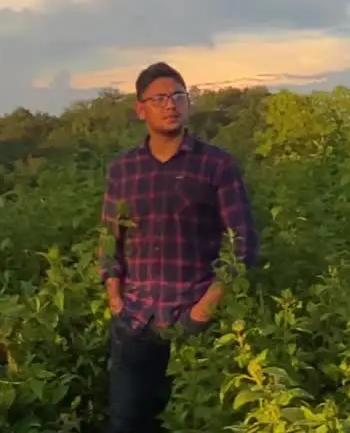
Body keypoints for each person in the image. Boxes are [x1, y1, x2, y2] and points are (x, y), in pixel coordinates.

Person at [98, 62, 260, 433]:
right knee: (127, 422)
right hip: (135, 321)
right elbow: (110, 238)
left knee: (194, 421)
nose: (170, 105)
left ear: (188, 103)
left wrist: (203, 311)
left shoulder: (216, 165)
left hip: (194, 323)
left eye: (178, 96)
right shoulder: (124, 169)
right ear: (141, 109)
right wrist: (115, 298)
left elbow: (243, 244)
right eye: (159, 98)